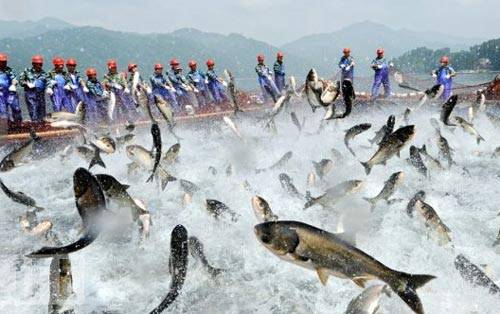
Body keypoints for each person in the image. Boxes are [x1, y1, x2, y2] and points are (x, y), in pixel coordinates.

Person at [19, 55, 48, 122]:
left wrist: (50, 86)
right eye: (37, 64)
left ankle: (42, 124)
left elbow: (48, 82)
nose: (39, 66)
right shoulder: (27, 71)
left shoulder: (44, 73)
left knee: (42, 110)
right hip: (30, 93)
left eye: (41, 64)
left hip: (40, 94)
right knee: (33, 109)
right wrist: (26, 83)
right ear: (33, 64)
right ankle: (35, 124)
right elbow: (21, 81)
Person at [0, 53, 21, 122]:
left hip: (10, 92)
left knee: (16, 109)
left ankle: (18, 124)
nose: (4, 63)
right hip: (0, 94)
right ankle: (6, 126)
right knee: (3, 111)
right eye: (2, 62)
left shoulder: (9, 70)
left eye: (5, 62)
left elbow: (14, 79)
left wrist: (13, 85)